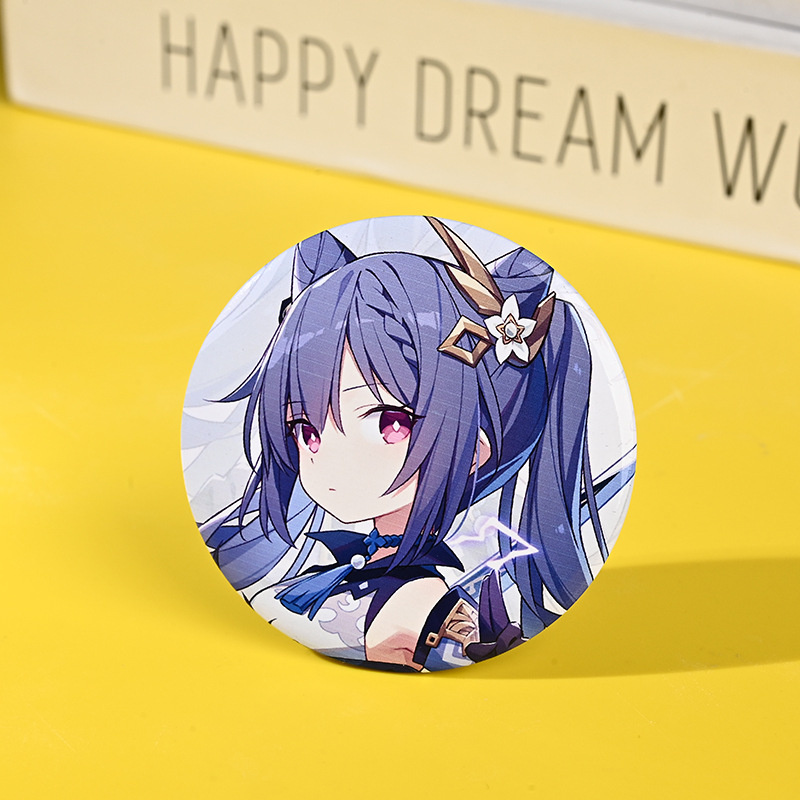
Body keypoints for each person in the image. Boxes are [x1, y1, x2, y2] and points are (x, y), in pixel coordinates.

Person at [198, 217, 624, 671]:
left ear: (473, 448)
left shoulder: (419, 607)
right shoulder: (352, 569)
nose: (324, 459)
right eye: (305, 429)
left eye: (391, 422)